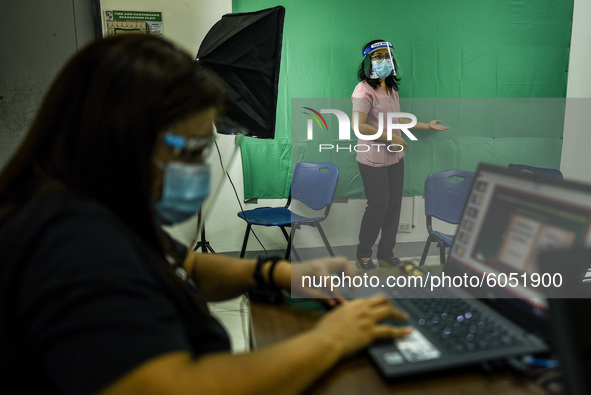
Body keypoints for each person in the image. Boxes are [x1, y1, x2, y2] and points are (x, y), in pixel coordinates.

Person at [0, 34, 412, 395]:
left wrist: (276, 274)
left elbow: (185, 265)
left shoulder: (98, 208)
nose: (198, 168)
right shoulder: (70, 243)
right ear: (125, 140)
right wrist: (332, 339)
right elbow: (172, 388)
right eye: (191, 151)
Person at [352, 39, 449, 270]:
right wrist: (392, 138)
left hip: (395, 157)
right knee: (379, 205)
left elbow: (396, 118)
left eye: (387, 55)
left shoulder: (392, 89)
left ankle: (386, 253)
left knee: (394, 205)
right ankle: (362, 253)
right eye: (377, 56)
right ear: (368, 62)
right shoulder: (363, 90)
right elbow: (360, 127)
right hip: (372, 158)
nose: (383, 60)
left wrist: (425, 125)